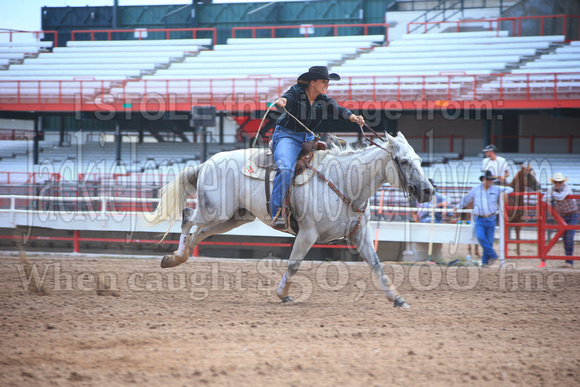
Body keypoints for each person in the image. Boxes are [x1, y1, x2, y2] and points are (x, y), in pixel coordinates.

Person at [270, 66, 365, 230]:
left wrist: (353, 117)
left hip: (308, 137)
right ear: (312, 82)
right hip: (287, 135)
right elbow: (286, 99)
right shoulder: (296, 91)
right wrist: (282, 102)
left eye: (328, 82)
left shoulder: (325, 100)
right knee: (286, 168)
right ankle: (277, 212)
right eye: (323, 81)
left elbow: (339, 109)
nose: (326, 85)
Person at [455, 170, 514, 267]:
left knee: (489, 240)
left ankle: (485, 262)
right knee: (481, 237)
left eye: (491, 180)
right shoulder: (476, 189)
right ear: (483, 180)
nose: (489, 181)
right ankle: (493, 255)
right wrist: (457, 207)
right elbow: (467, 199)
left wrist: (505, 193)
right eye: (488, 179)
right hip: (479, 218)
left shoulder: (496, 189)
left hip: (491, 217)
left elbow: (510, 189)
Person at [539, 172, 578, 268]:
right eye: (556, 182)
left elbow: (560, 197)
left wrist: (552, 194)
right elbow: (544, 199)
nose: (557, 184)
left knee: (569, 238)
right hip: (562, 216)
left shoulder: (566, 188)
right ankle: (569, 261)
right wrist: (552, 194)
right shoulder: (552, 189)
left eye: (559, 182)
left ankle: (570, 261)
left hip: (572, 214)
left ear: (562, 182)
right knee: (565, 238)